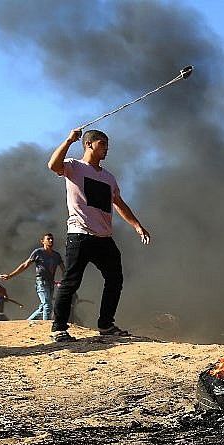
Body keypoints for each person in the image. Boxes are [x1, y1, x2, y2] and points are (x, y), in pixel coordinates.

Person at [47, 128, 150, 342]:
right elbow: (53, 165)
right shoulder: (74, 167)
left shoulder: (108, 177)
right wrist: (68, 140)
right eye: (103, 144)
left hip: (104, 238)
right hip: (80, 234)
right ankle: (59, 328)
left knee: (115, 278)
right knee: (71, 281)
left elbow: (119, 203)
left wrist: (137, 225)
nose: (107, 149)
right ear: (89, 144)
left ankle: (106, 324)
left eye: (107, 145)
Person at [0, 233, 65, 321]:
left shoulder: (56, 255)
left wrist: (66, 280)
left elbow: (63, 269)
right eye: (48, 239)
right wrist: (10, 275)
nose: (51, 241)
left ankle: (27, 322)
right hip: (41, 282)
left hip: (50, 283)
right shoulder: (38, 252)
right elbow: (25, 265)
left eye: (52, 239)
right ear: (42, 241)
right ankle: (47, 328)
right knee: (47, 305)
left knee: (43, 307)